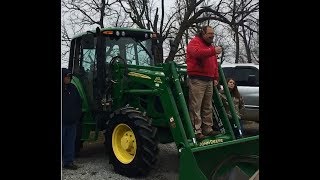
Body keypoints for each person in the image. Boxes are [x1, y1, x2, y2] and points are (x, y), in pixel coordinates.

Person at [186, 25, 222, 140]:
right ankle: (196, 131)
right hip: (197, 79)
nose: (212, 36)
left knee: (208, 106)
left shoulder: (209, 47)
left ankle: (208, 128)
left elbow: (214, 64)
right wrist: (212, 51)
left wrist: (216, 77)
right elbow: (197, 53)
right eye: (210, 34)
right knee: (196, 106)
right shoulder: (194, 43)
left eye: (213, 34)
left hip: (209, 79)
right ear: (203, 33)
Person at [62, 68, 82, 170]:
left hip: (72, 122)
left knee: (70, 143)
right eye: (66, 77)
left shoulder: (73, 88)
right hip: (62, 122)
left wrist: (77, 115)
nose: (68, 79)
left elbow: (78, 102)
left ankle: (68, 162)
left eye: (69, 77)